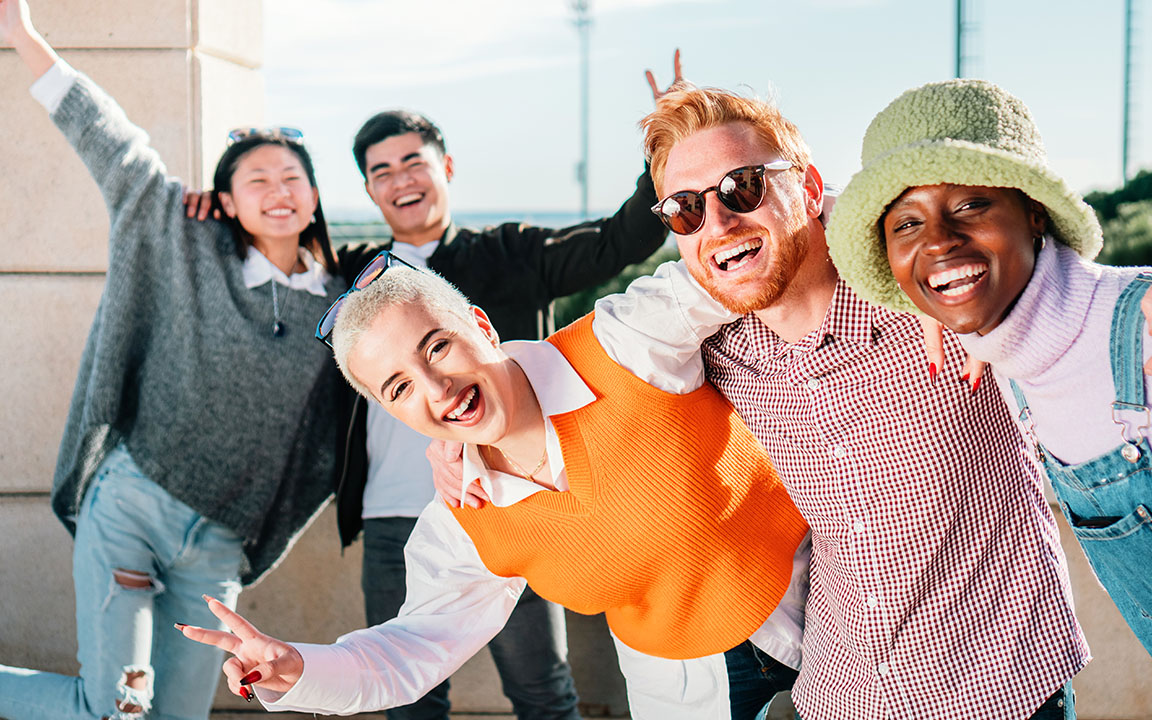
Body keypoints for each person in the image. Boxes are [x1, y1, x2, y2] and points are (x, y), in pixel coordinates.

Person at [442, 81, 1152, 719]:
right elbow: (555, 371)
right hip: (833, 696)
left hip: (997, 693)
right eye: (685, 210)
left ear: (808, 185)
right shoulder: (715, 355)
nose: (717, 223)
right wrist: (458, 435)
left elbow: (1076, 293)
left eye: (741, 189)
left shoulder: (936, 296)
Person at [179, 256, 811, 720]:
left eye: (437, 347)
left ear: (479, 325)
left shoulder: (622, 345)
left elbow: (749, 255)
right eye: (398, 387)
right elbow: (411, 649)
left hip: (845, 605)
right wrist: (297, 668)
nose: (435, 389)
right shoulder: (463, 519)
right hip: (683, 682)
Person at [825, 78, 1152, 718]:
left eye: (971, 205)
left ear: (1035, 210)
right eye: (907, 223)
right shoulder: (1010, 364)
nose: (937, 241)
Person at [0, 1, 347, 719]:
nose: (276, 192)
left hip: (217, 550)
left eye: (290, 178)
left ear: (313, 195)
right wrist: (27, 41)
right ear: (225, 200)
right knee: (117, 712)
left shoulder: (345, 308)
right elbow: (112, 144)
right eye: (255, 180)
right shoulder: (186, 243)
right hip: (131, 506)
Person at [329, 72, 672, 719]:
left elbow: (620, 242)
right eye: (381, 171)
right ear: (369, 190)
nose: (401, 180)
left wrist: (668, 144)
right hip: (391, 520)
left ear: (446, 167)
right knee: (409, 702)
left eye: (413, 161)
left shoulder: (509, 251)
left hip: (509, 507)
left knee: (542, 692)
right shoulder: (351, 276)